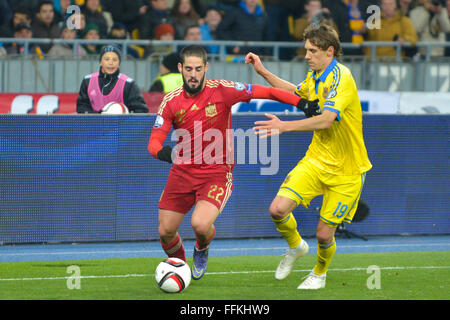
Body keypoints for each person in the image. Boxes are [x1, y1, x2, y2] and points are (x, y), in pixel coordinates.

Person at [147, 44, 319, 280]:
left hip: (216, 172)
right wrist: (163, 153)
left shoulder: (222, 90)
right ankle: (181, 267)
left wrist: (301, 104)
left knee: (200, 224)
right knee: (165, 231)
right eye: (189, 69)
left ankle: (202, 247)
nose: (194, 74)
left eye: (198, 68)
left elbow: (266, 92)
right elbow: (154, 142)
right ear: (180, 69)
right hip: (182, 173)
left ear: (206, 67)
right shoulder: (171, 101)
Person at [245, 23, 372, 289]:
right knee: (277, 210)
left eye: (312, 51)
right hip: (316, 160)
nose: (307, 56)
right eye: (306, 50)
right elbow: (293, 92)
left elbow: (326, 120)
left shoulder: (342, 78)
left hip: (347, 171)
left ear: (330, 51)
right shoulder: (315, 75)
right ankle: (295, 246)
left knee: (324, 235)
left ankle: (319, 273)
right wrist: (262, 71)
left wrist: (285, 126)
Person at [76, 45, 148, 114]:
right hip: (94, 125)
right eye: (107, 59)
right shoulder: (87, 81)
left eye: (115, 60)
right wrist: (100, 116)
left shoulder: (129, 84)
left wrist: (126, 116)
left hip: (121, 125)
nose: (111, 63)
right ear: (101, 62)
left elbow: (141, 111)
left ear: (119, 63)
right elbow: (81, 108)